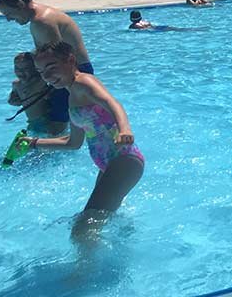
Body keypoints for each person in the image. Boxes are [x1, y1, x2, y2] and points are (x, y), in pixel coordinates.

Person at [25, 42, 144, 242]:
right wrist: (35, 142)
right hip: (109, 164)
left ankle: (81, 273)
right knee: (99, 219)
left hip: (124, 160)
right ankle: (124, 245)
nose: (46, 76)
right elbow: (72, 142)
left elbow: (112, 103)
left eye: (51, 67)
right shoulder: (72, 96)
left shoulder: (84, 83)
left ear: (70, 60)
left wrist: (125, 129)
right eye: (41, 71)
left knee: (82, 228)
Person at [0, 0, 93, 134]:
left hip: (71, 74)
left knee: (55, 127)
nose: (8, 19)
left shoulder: (42, 22)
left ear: (20, 4)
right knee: (62, 123)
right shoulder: (40, 16)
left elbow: (55, 62)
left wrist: (30, 90)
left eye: (9, 13)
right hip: (73, 71)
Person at [6, 52, 56, 133]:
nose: (21, 72)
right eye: (17, 68)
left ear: (35, 69)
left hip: (46, 120)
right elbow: (14, 101)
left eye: (26, 69)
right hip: (31, 121)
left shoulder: (40, 81)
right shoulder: (16, 84)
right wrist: (12, 100)